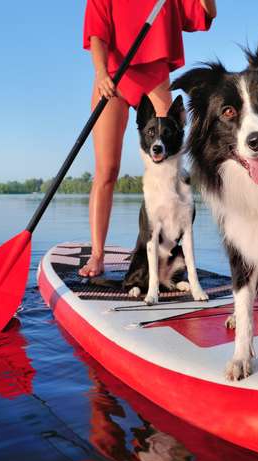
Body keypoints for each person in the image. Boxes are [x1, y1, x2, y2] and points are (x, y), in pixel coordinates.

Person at [79, 0, 217, 277]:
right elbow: (96, 34)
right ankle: (97, 255)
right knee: (107, 170)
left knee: (168, 169)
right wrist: (101, 72)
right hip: (114, 79)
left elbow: (206, 14)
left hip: (155, 78)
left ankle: (165, 253)